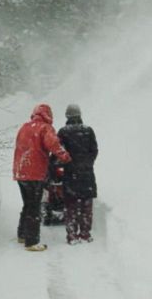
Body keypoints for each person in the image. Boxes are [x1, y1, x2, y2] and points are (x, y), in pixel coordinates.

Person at [13, 104, 71, 251]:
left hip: (21, 171)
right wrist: (65, 157)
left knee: (27, 204)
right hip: (35, 172)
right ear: (48, 115)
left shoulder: (24, 127)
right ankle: (31, 242)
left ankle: (22, 234)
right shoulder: (44, 128)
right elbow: (53, 144)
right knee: (34, 207)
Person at [57, 104, 98, 245]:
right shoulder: (88, 130)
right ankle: (85, 234)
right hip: (87, 174)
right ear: (80, 115)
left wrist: (66, 165)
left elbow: (59, 153)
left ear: (67, 116)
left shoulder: (63, 132)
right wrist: (87, 164)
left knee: (71, 206)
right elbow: (94, 151)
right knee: (86, 206)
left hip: (70, 174)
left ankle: (72, 236)